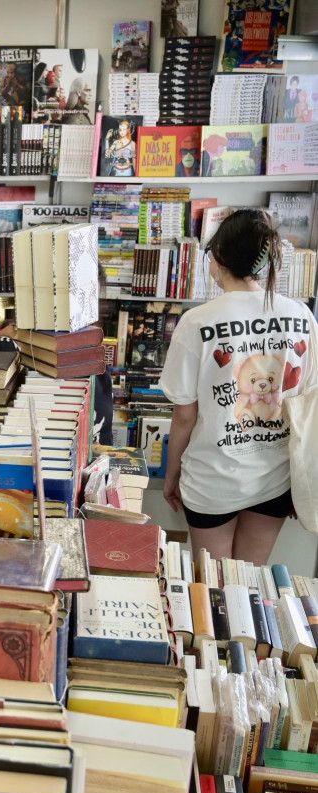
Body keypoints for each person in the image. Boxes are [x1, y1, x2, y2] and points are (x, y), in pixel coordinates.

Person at [160, 209, 317, 564]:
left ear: (217, 259)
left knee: (211, 590)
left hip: (211, 479)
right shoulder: (301, 315)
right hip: (275, 480)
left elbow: (184, 416)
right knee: (249, 583)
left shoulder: (195, 322)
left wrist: (171, 476)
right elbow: (307, 403)